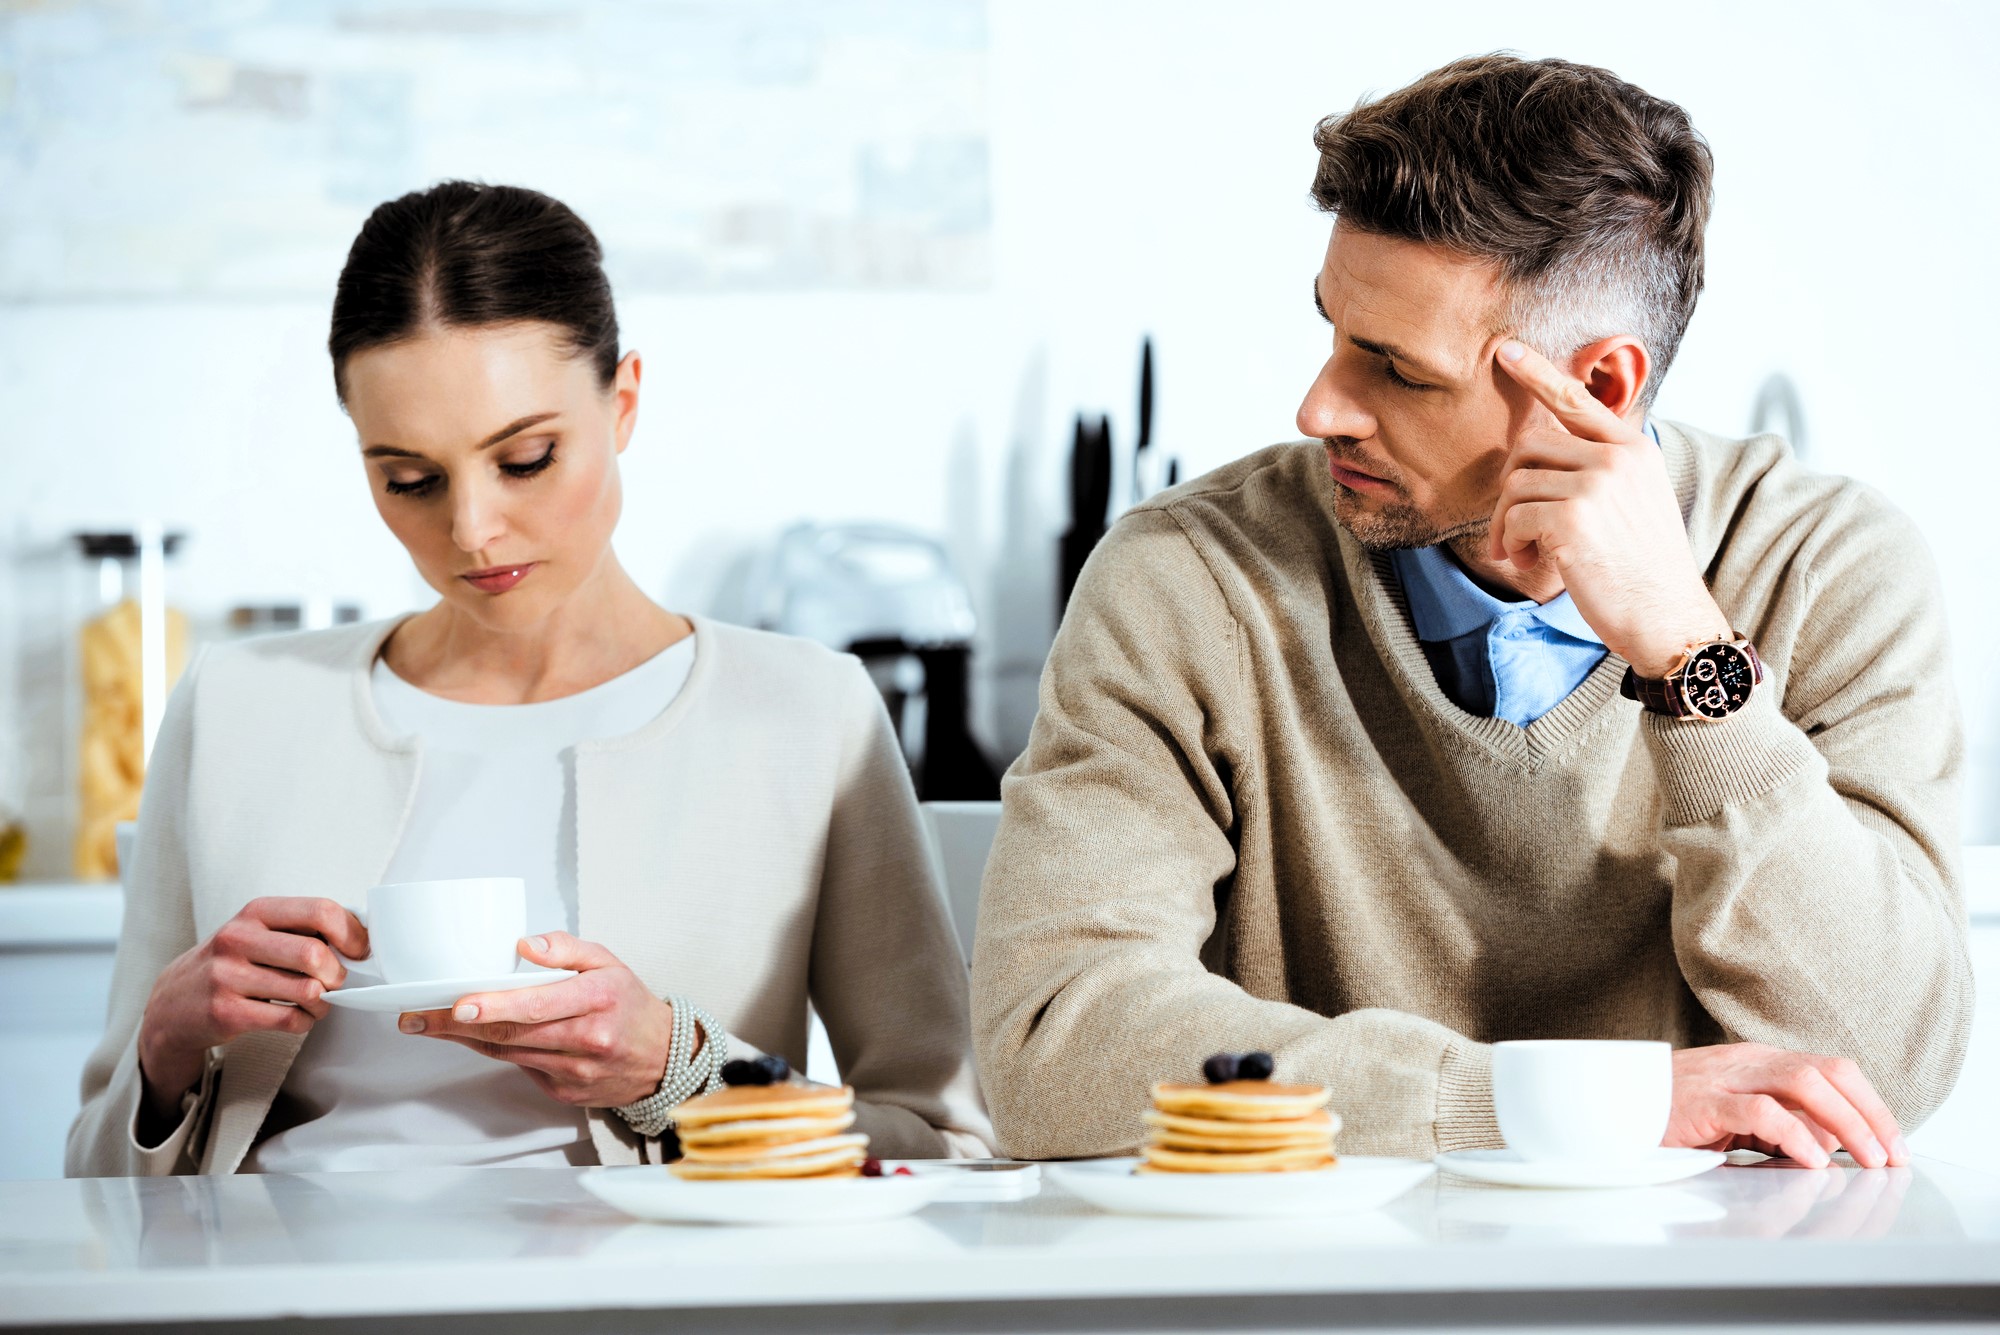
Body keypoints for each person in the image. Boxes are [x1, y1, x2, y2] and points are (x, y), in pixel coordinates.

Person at [971, 55, 1970, 1169]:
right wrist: (1541, 1104)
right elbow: (1047, 1051)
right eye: (1332, 332)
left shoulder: (1826, 568)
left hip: (1696, 1285)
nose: (1318, 408)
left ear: (1595, 388)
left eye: (1397, 371)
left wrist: (1689, 660)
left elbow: (1884, 1068)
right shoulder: (1188, 578)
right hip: (1315, 1286)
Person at [68, 181, 990, 1176]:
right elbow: (96, 1181)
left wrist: (675, 1071)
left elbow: (943, 1142)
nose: (471, 530)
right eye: (407, 478)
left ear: (623, 403)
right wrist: (167, 1046)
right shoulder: (238, 707)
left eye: (527, 457)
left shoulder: (807, 716)